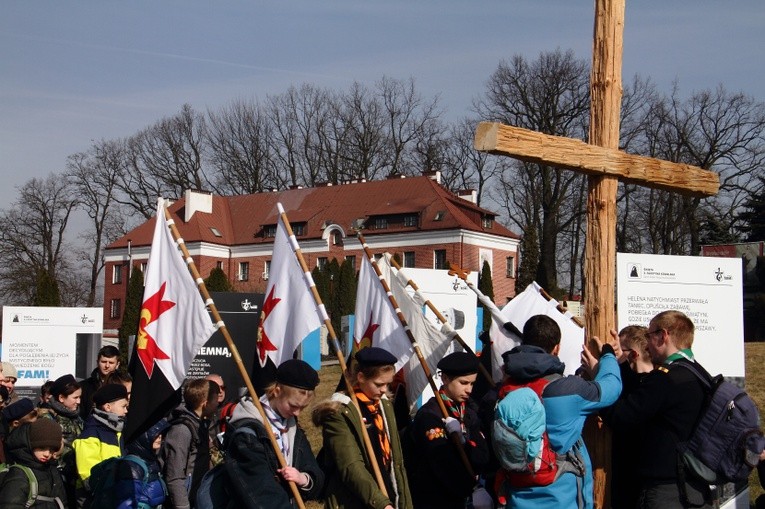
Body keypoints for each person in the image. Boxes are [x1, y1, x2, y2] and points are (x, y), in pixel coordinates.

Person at [497, 314, 621, 509]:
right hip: (560, 498)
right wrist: (608, 356)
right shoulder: (567, 390)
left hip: (516, 496)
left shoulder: (503, 390)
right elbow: (611, 388)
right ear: (557, 348)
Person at [601, 310, 712, 508]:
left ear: (663, 336)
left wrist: (603, 375)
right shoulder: (701, 374)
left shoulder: (665, 379)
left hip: (667, 491)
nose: (647, 344)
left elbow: (621, 416)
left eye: (650, 336)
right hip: (696, 488)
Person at [313, 347, 413, 509]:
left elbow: (395, 460)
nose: (384, 390)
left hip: (386, 490)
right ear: (360, 377)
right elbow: (351, 466)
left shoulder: (384, 405)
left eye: (388, 384)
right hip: (355, 499)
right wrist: (381, 503)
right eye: (379, 384)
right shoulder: (339, 412)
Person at [225, 359, 325, 508]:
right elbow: (260, 491)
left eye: (302, 408)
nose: (297, 413)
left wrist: (304, 479)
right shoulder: (248, 433)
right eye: (293, 405)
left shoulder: (292, 427)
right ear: (276, 391)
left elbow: (314, 472)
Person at [406, 351, 490, 509]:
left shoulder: (469, 412)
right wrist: (471, 488)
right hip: (435, 499)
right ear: (445, 378)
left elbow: (482, 456)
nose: (469, 390)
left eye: (472, 384)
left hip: (462, 499)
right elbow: (442, 463)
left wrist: (464, 441)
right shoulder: (430, 415)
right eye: (464, 383)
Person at [161, 378, 219, 509]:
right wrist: (183, 506)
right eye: (215, 400)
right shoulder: (182, 430)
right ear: (205, 403)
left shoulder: (200, 426)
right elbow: (174, 476)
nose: (218, 404)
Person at [38, 374, 84, 508]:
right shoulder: (48, 418)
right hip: (58, 477)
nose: (79, 401)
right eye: (75, 397)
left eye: (79, 397)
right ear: (61, 398)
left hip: (74, 476)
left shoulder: (76, 417)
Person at [73, 383, 129, 490]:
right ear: (108, 407)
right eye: (123, 406)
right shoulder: (90, 435)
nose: (126, 411)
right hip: (94, 498)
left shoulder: (117, 431)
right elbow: (88, 477)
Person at [0, 418, 67, 508]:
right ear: (30, 445)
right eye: (42, 448)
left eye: (52, 449)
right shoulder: (19, 474)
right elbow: (10, 505)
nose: (47, 454)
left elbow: (62, 501)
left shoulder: (52, 469)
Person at [115, 418, 171, 509]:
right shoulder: (133, 466)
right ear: (142, 436)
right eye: (155, 433)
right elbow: (126, 504)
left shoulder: (150, 460)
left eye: (161, 433)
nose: (160, 436)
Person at [79, 345, 122, 418]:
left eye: (111, 363)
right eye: (104, 362)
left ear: (117, 364)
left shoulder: (123, 385)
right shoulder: (84, 386)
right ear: (97, 362)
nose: (107, 366)